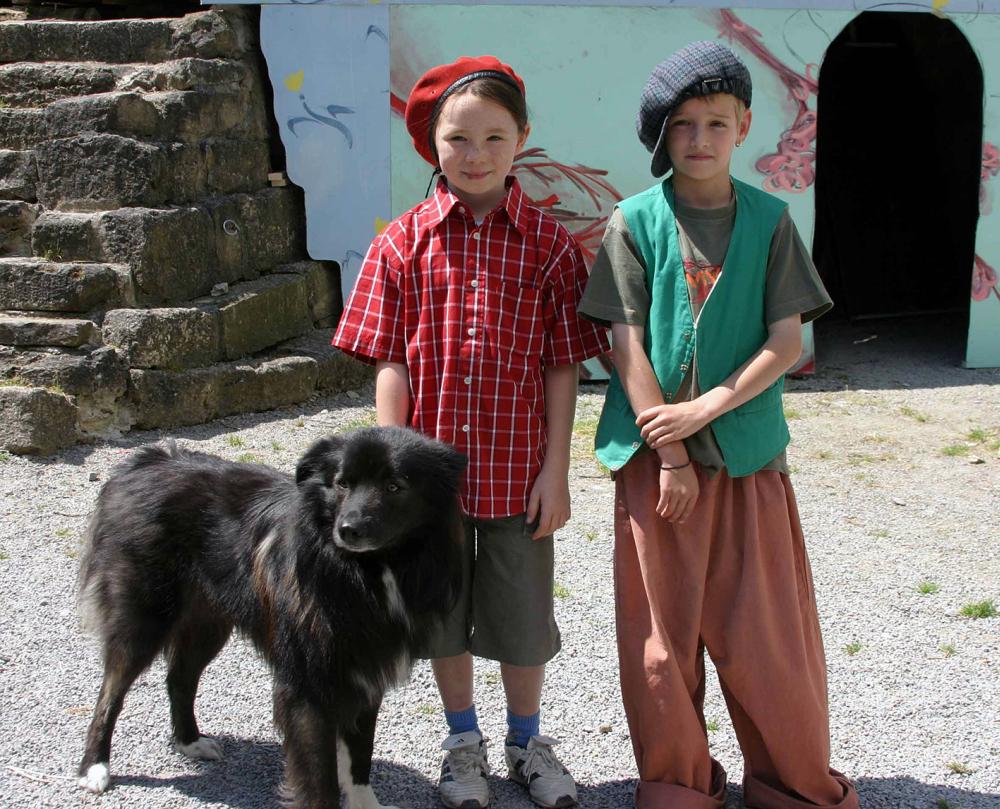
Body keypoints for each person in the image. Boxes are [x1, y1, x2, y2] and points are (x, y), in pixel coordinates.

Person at [578, 41, 860, 809]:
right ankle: (678, 786)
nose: (699, 138)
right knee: (660, 643)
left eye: (715, 122)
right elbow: (625, 343)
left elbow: (786, 342)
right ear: (661, 135)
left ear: (743, 126)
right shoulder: (633, 221)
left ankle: (791, 784)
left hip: (747, 460)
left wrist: (703, 409)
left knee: (769, 638)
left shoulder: (771, 221)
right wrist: (669, 449)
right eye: (682, 125)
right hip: (653, 467)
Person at [333, 56, 609, 809]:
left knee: (523, 617)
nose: (476, 154)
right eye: (458, 138)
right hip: (428, 492)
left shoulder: (549, 246)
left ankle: (527, 741)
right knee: (440, 617)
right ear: (433, 144)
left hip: (520, 474)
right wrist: (390, 474)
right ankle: (462, 742)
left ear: (521, 137)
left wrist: (556, 471)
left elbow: (561, 366)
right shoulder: (402, 243)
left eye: (494, 136)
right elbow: (391, 359)